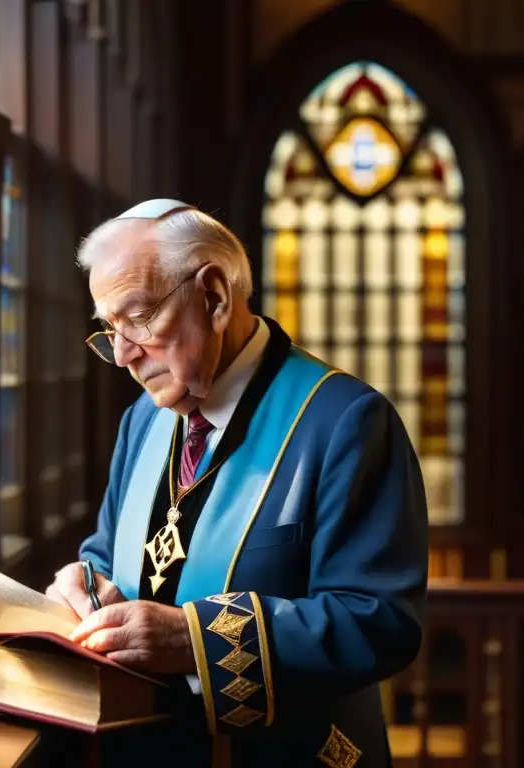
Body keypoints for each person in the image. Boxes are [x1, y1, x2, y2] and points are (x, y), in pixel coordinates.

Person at [46, 199, 429, 767]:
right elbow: (108, 549)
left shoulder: (344, 421)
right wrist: (85, 584)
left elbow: (379, 621)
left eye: (139, 318)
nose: (123, 355)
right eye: (109, 329)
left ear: (215, 297)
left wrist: (194, 641)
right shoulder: (144, 419)